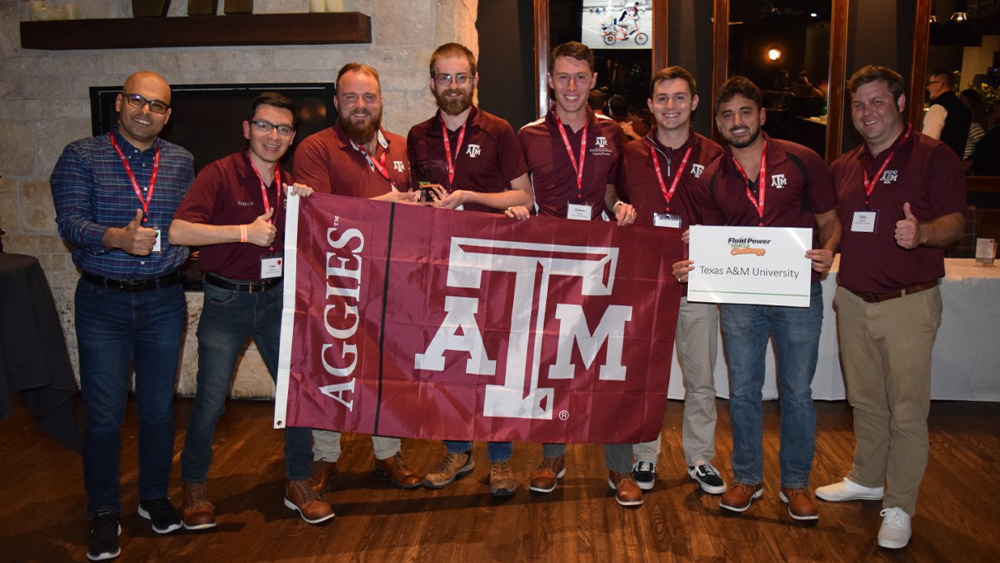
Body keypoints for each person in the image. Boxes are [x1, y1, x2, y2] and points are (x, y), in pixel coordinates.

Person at [674, 76, 840, 521]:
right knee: (744, 392)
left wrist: (830, 250)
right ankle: (747, 478)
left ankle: (795, 484)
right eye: (727, 115)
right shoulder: (711, 177)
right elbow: (709, 241)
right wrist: (693, 263)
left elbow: (830, 220)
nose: (736, 121)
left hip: (798, 292)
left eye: (745, 112)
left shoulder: (803, 160)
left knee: (797, 393)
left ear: (762, 116)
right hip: (741, 298)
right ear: (718, 123)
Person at [168, 92, 335, 529]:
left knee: (294, 395)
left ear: (292, 137)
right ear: (247, 128)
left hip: (277, 299)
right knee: (209, 400)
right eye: (263, 125)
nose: (272, 135)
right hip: (226, 300)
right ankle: (194, 487)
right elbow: (178, 231)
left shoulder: (289, 183)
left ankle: (298, 482)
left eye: (281, 129)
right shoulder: (219, 173)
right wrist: (243, 232)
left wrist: (308, 204)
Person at [817, 65, 966, 550]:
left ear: (902, 104)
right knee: (865, 402)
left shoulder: (932, 157)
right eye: (859, 105)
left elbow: (956, 224)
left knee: (906, 411)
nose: (867, 113)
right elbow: (836, 223)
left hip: (908, 304)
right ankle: (866, 476)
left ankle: (899, 504)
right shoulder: (844, 164)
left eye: (877, 102)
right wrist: (828, 246)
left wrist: (922, 233)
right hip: (854, 301)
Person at [50, 71, 193, 561]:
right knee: (106, 416)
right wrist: (116, 237)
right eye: (137, 100)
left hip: (163, 301)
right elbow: (70, 222)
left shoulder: (181, 161)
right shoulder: (81, 156)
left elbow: (186, 224)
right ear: (119, 103)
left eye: (157, 105)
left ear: (168, 115)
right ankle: (104, 511)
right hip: (104, 302)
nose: (145, 111)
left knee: (158, 410)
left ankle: (154, 498)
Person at [512, 41, 643, 507]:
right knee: (553, 364)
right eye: (563, 77)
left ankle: (620, 468)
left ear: (592, 81)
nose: (571, 87)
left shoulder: (613, 133)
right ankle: (552, 457)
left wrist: (620, 207)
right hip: (550, 264)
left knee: (611, 362)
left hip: (602, 260)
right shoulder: (526, 135)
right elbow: (521, 198)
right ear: (551, 80)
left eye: (580, 78)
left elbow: (611, 192)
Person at [406, 43, 533, 496]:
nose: (454, 86)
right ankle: (457, 451)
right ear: (433, 83)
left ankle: (500, 460)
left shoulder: (499, 131)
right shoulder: (417, 135)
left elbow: (524, 198)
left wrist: (468, 197)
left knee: (495, 362)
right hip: (441, 266)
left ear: (475, 81)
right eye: (445, 77)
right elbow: (413, 198)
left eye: (462, 77)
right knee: (451, 363)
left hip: (494, 264)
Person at [293, 63, 423, 493]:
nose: (361, 105)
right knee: (329, 369)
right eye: (351, 97)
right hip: (335, 280)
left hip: (392, 281)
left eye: (369, 96)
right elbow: (321, 214)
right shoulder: (315, 148)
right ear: (337, 103)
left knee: (386, 368)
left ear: (381, 100)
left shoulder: (404, 147)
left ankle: (388, 454)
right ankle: (325, 456)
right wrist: (387, 203)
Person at [616, 66, 727, 495]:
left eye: (680, 97)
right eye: (662, 98)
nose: (671, 106)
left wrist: (706, 245)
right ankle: (645, 456)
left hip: (697, 284)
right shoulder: (630, 153)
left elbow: (731, 218)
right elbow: (615, 201)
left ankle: (700, 458)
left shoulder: (716, 155)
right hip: (646, 284)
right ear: (650, 105)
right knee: (647, 377)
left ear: (694, 103)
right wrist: (619, 208)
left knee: (700, 379)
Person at [922, 70, 972, 158]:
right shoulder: (964, 108)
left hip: (938, 164)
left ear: (940, 85)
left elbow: (929, 142)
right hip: (955, 162)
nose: (928, 87)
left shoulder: (938, 108)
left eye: (930, 83)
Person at [958, 89, 986, 168]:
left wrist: (969, 163)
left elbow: (983, 149)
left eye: (962, 101)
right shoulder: (965, 125)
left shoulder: (974, 127)